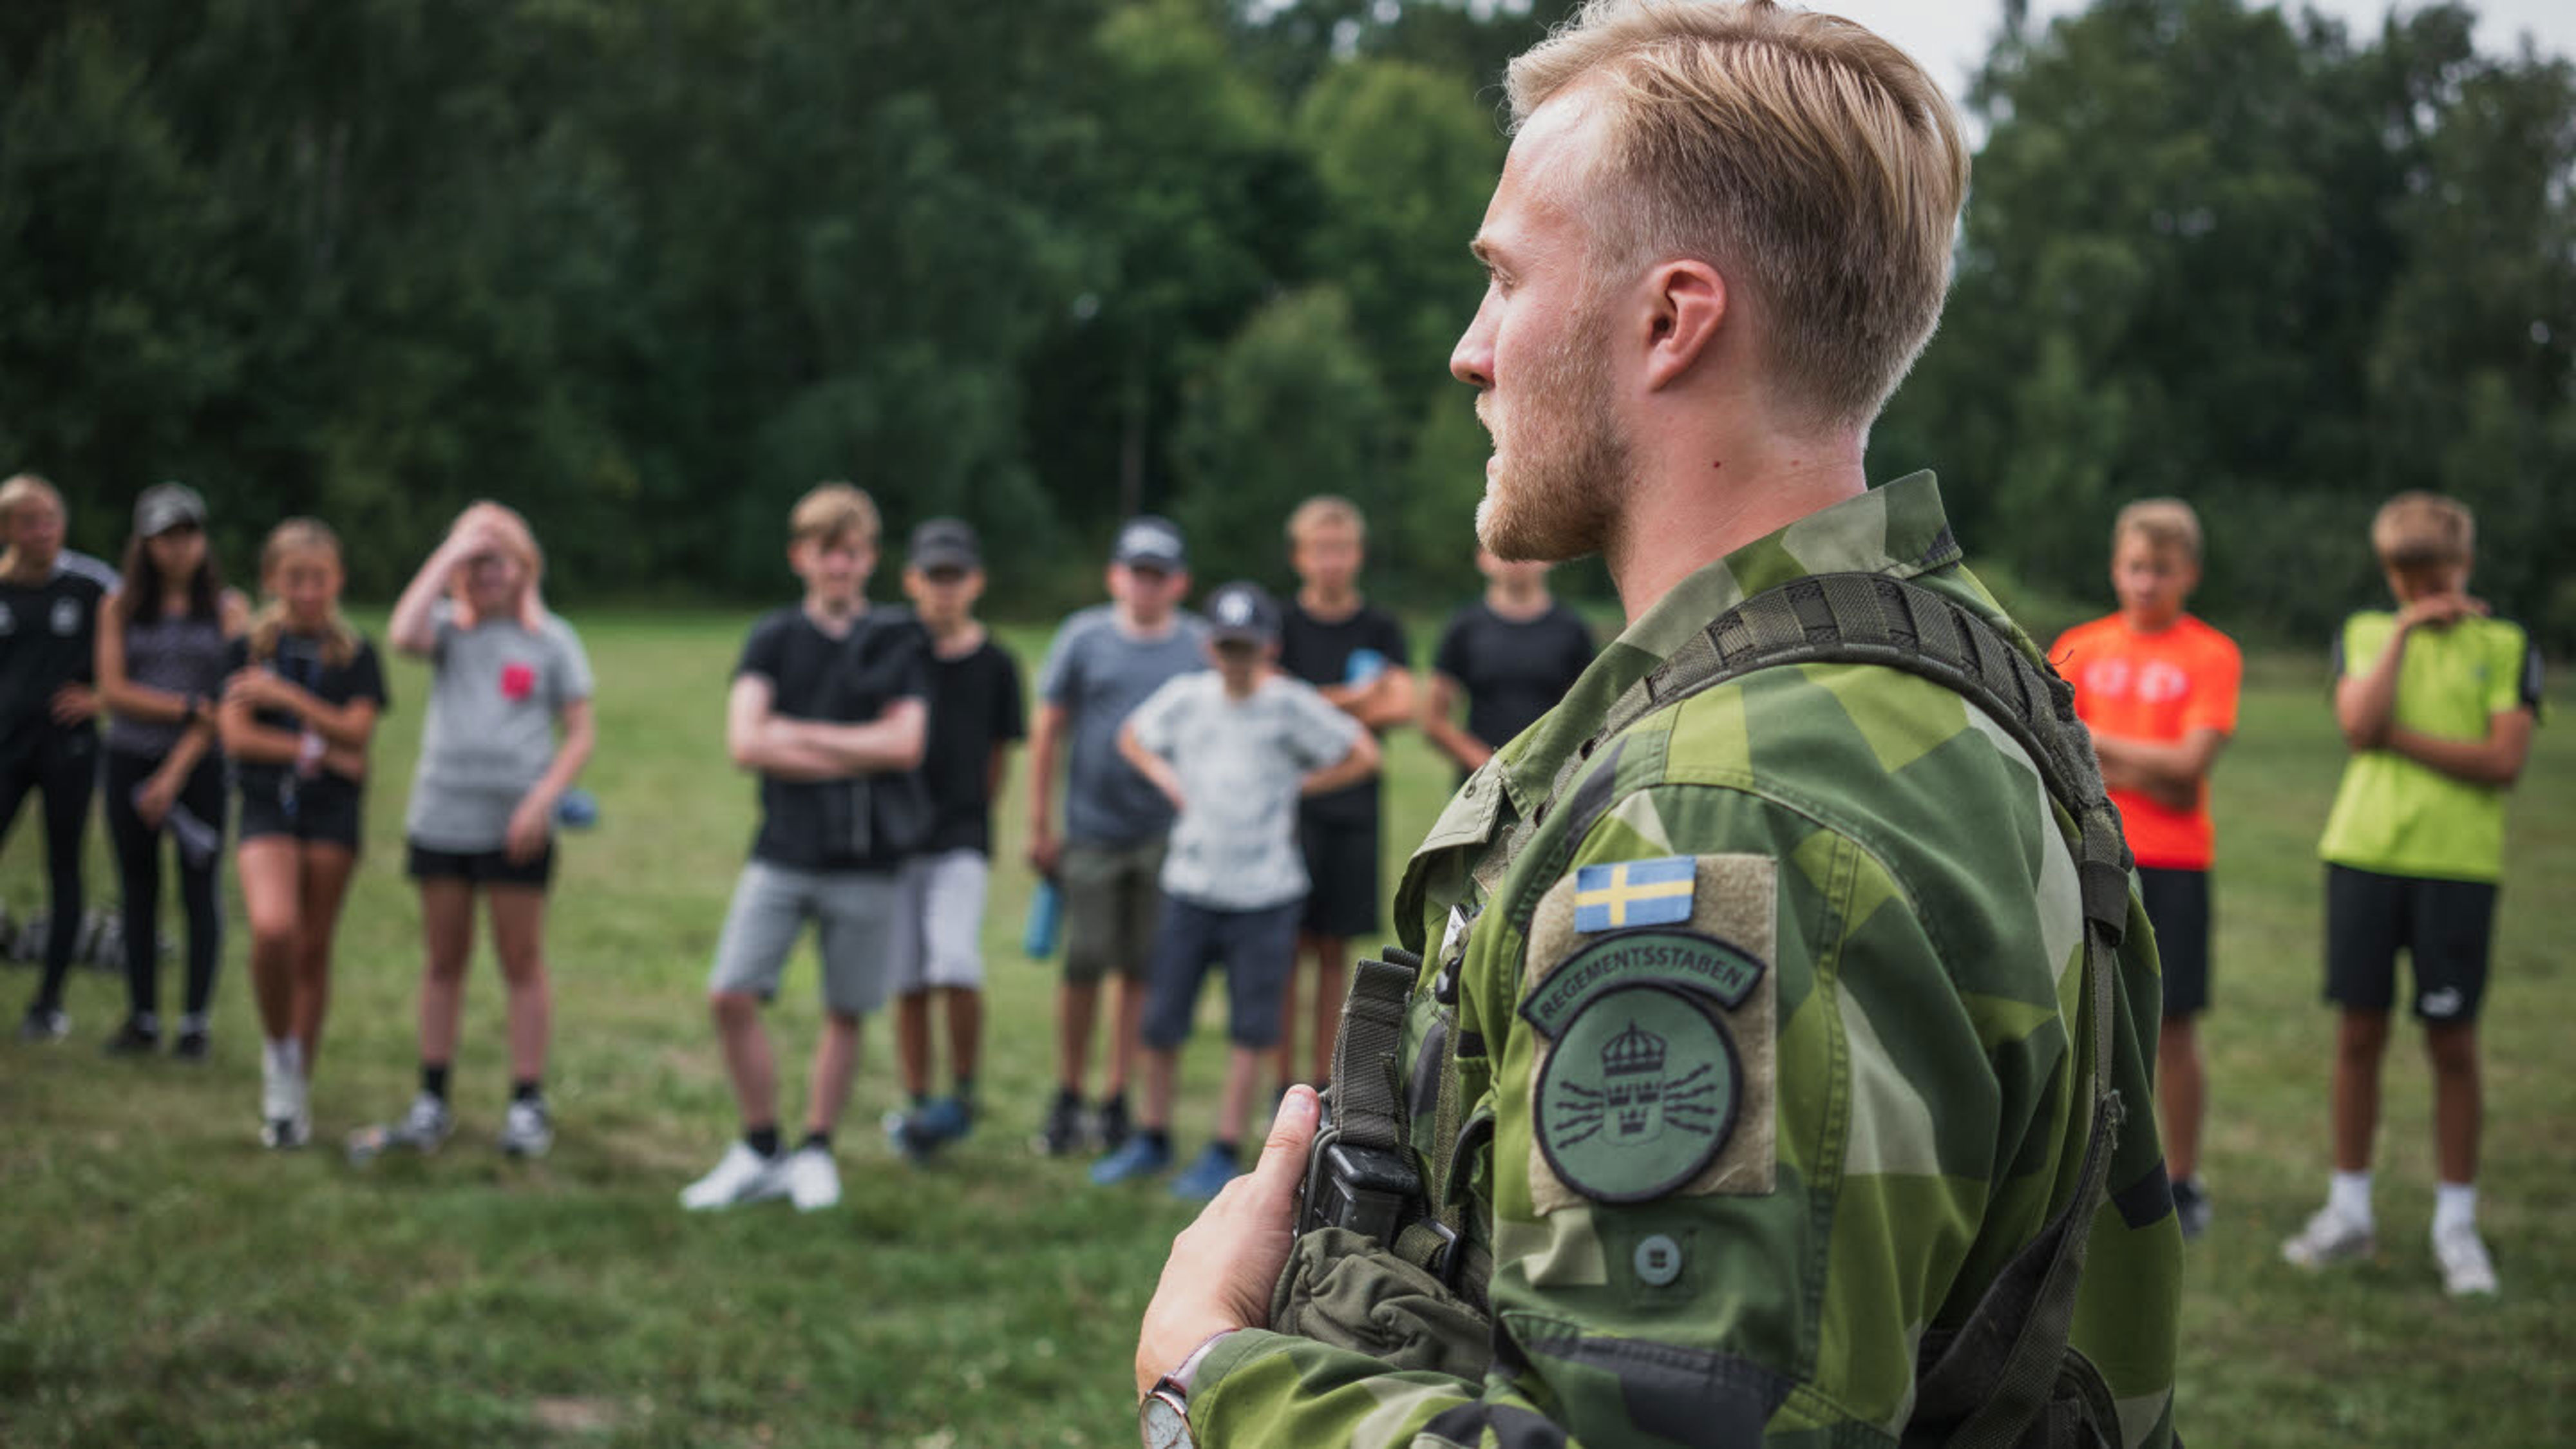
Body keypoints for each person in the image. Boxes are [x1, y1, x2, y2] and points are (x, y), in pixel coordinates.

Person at [1130, 5, 2181, 1446]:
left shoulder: (1730, 812)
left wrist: (1207, 1382)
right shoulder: (1937, 688)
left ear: (1671, 319)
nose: (1467, 351)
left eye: (1502, 281)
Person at [2281, 491, 2537, 1297]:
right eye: (2404, 575)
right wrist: (2399, 638)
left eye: (2435, 573)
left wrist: (2399, 741)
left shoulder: (2504, 644)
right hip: (2361, 857)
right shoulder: (2364, 633)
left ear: (2464, 565)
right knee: (2358, 1035)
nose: (2421, 589)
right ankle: (2348, 1209)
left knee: (2451, 1044)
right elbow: (2360, 725)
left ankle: (2454, 1224)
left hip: (2457, 867)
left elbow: (2502, 762)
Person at [680, 484, 927, 1211]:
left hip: (866, 857)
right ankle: (759, 1145)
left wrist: (799, 736)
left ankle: (816, 1149)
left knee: (845, 1009)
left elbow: (905, 743)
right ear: (801, 558)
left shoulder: (896, 638)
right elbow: (745, 740)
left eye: (852, 552)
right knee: (730, 993)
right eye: (827, 552)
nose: (840, 565)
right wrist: (857, 750)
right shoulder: (773, 638)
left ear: (869, 559)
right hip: (782, 851)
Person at [1090, 582, 1377, 1199]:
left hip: (1264, 891)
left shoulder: (1290, 704)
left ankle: (1224, 1145)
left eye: (1247, 648)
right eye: (1226, 646)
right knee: (1164, 1018)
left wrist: (1301, 786)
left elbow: (1362, 752)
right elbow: (1133, 736)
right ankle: (1153, 1133)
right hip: (1191, 882)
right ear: (1208, 646)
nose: (1236, 659)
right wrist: (1169, 780)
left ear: (1269, 648)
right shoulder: (1187, 699)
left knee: (1252, 1026)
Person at [348, 503, 596, 1162]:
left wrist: (541, 803)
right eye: (476, 562)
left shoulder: (551, 639)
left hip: (517, 827)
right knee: (443, 960)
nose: (488, 573)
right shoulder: (447, 630)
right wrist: (452, 550)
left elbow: (580, 733)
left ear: (525, 568)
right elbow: (400, 633)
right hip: (442, 819)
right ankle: (432, 1098)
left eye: (500, 560)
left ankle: (526, 1101)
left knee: (520, 961)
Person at [2052, 498, 2239, 1240]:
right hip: (2095, 850)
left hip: (2176, 861)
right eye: (2134, 567)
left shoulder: (2210, 654)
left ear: (2188, 574)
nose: (2145, 582)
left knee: (2175, 1025)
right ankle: (2075, 1176)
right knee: (2084, 1015)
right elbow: (2061, 751)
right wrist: (2143, 764)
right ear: (2114, 568)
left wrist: (2098, 744)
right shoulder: (2081, 645)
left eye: (2161, 570)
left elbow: (2189, 771)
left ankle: (2183, 1181)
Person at [1025, 516, 1208, 1156]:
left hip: (1165, 835)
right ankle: (1068, 1092)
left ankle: (1116, 1095)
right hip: (1092, 833)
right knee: (1083, 964)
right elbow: (1048, 730)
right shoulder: (1083, 638)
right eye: (1137, 573)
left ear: (1178, 583)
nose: (1146, 586)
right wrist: (1039, 822)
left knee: (1139, 969)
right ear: (1115, 577)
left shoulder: (1199, 646)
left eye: (1158, 575)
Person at [218, 518, 387, 1148]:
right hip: (267, 802)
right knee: (274, 929)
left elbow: (360, 735)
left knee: (314, 947)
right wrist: (317, 743)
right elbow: (235, 737)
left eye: (319, 578)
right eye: (295, 578)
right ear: (272, 580)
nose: (308, 591)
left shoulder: (356, 653)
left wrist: (284, 698)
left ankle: (291, 1093)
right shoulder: (245, 650)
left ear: (338, 580)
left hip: (333, 812)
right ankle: (277, 1046)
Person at [884, 518, 1025, 1159]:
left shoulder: (997, 663)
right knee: (907, 974)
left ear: (975, 582)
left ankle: (962, 1090)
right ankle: (918, 1105)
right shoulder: (893, 650)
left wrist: (975, 813)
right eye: (932, 577)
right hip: (895, 835)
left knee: (953, 962)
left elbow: (999, 756)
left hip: (960, 834)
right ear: (912, 580)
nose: (944, 590)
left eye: (955, 578)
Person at [97, 483, 251, 1058]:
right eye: (166, 537)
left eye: (189, 535)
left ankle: (194, 1022)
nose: (179, 548)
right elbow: (113, 689)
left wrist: (175, 772)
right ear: (145, 543)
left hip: (201, 766)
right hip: (129, 759)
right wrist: (185, 707)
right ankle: (141, 1016)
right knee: (138, 888)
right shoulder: (118, 605)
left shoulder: (230, 609)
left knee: (199, 889)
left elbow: (230, 696)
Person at [1273, 496, 1410, 1097]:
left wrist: (1307, 698)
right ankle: (1281, 1084)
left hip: (1355, 808)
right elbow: (1271, 703)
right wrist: (1358, 698)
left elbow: (1402, 705)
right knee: (1288, 946)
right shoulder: (1279, 625)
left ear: (1358, 555)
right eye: (1319, 549)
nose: (1331, 561)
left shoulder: (1381, 629)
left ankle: (1322, 1084)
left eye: (1342, 549)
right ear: (1299, 557)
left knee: (1335, 950)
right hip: (1289, 807)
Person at [4, 474, 114, 1043]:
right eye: (30, 520)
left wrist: (101, 697)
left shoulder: (93, 585)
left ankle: (49, 1001)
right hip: (6, 747)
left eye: (51, 518)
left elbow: (135, 641)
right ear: (7, 530)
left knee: (64, 865)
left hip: (67, 749)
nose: (43, 531)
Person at [1420, 544, 1596, 782]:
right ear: (1482, 558)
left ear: (1551, 556)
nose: (1517, 558)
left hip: (1551, 783)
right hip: (1479, 786)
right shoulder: (1464, 628)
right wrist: (1488, 766)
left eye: (1528, 547)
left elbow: (1587, 713)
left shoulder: (1572, 629)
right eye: (1504, 548)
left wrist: (1549, 763)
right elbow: (1434, 719)